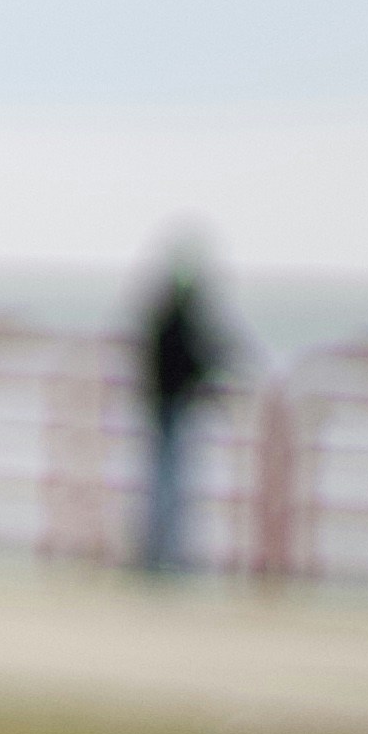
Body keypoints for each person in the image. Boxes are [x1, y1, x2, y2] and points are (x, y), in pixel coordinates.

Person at [134, 232, 235, 577]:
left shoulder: (164, 310)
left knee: (165, 485)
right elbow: (195, 356)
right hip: (171, 405)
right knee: (170, 486)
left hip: (165, 403)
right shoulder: (179, 314)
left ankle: (158, 553)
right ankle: (163, 554)